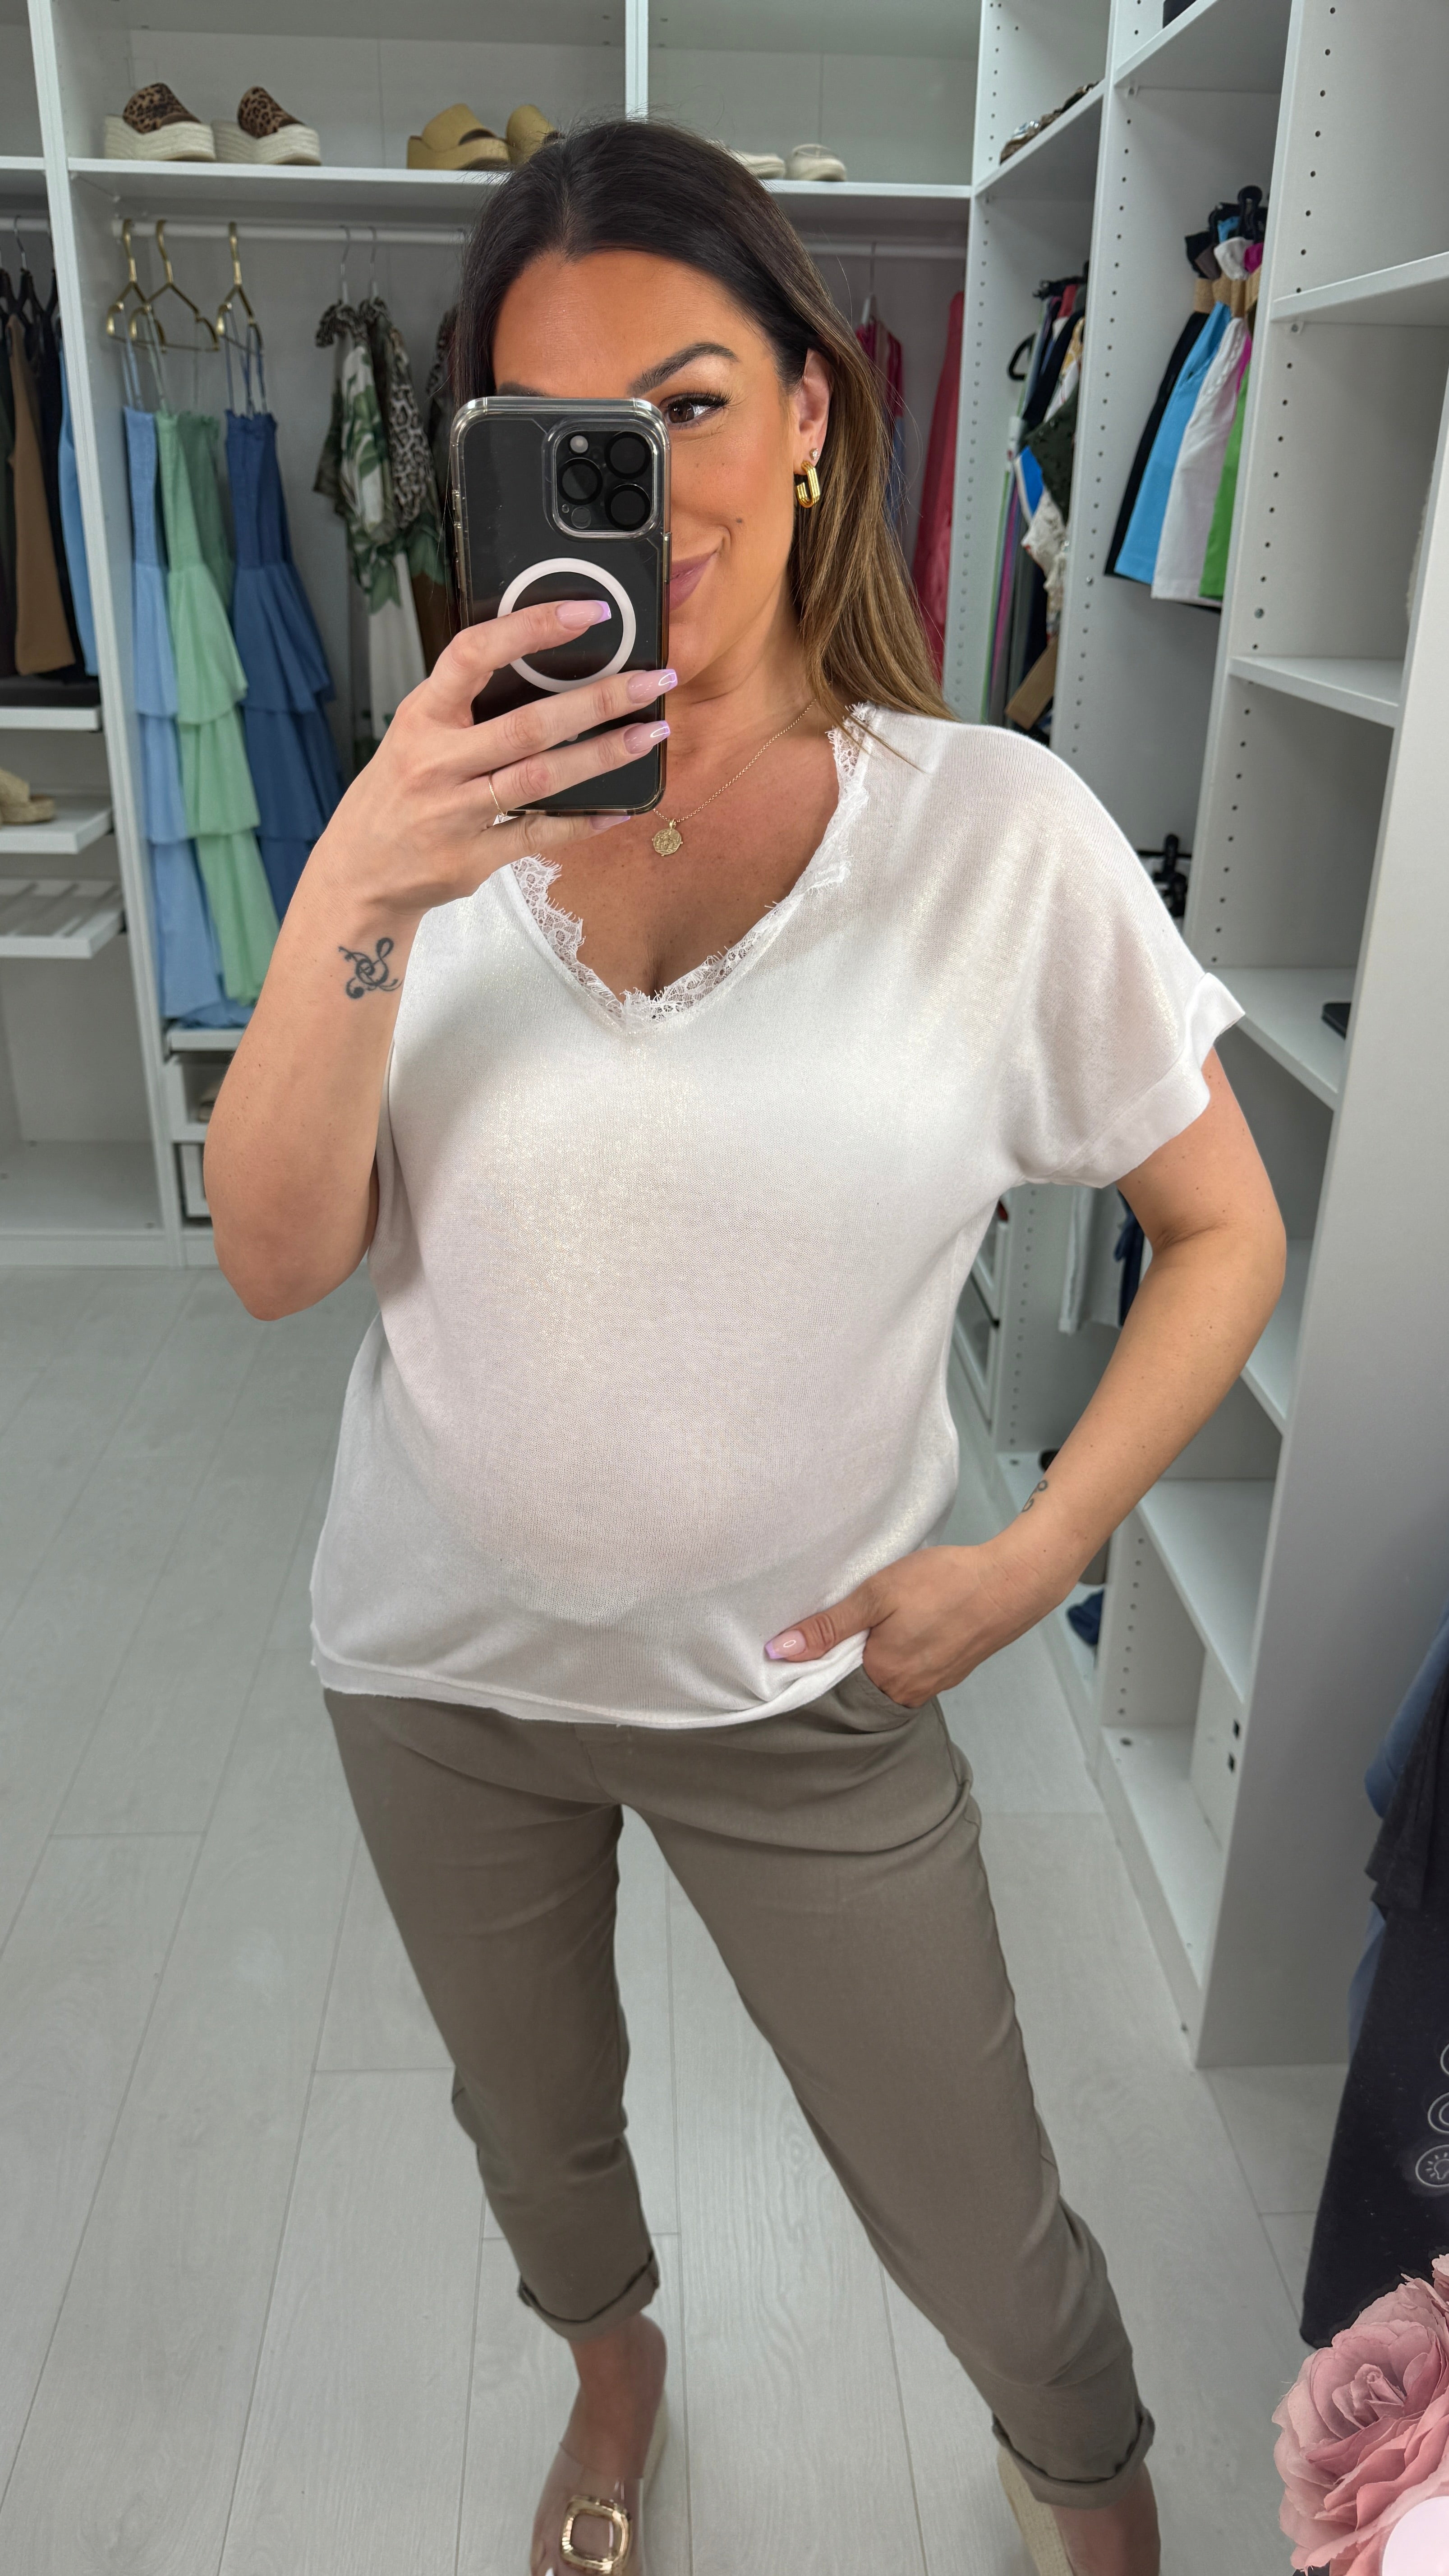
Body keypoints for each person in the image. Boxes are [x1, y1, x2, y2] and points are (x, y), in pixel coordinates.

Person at [206, 120, 1286, 2576]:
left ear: (812, 410)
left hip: (806, 1700)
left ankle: (1090, 2485)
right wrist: (366, 877)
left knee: (978, 2200)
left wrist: (1038, 1551)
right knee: (537, 2134)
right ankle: (616, 2386)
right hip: (435, 1673)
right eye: (559, 433)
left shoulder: (997, 837)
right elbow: (276, 1258)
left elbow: (1224, 1228)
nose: (646, 486)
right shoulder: (427, 827)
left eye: (689, 403)